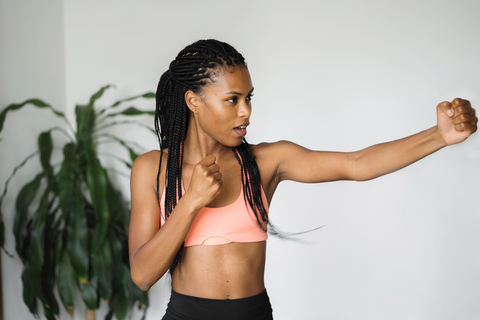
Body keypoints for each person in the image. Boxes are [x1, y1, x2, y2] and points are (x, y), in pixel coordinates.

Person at [128, 39, 477, 320]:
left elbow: (356, 164)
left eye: (248, 98)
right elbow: (142, 275)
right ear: (193, 100)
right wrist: (190, 202)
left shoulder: (266, 162)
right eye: (232, 100)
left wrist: (438, 136)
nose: (246, 111)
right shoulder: (153, 169)